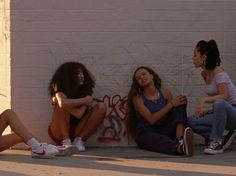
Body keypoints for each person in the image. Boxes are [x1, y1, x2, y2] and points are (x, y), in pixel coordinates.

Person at [126, 66, 194, 156]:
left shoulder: (165, 93)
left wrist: (176, 103)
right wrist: (171, 104)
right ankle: (180, 148)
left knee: (179, 103)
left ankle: (180, 140)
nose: (142, 77)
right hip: (147, 133)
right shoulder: (138, 98)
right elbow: (151, 119)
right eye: (138, 78)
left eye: (144, 74)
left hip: (165, 130)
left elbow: (174, 114)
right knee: (156, 140)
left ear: (151, 76)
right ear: (138, 84)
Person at [188, 40, 236, 155]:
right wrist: (209, 111)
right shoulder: (204, 74)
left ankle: (216, 142)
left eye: (195, 55)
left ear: (204, 57)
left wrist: (203, 100)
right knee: (191, 121)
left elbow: (224, 96)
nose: (192, 58)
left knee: (219, 103)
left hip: (234, 112)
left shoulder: (218, 72)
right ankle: (223, 134)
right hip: (224, 112)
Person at [48, 62, 106, 155]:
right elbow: (63, 103)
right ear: (69, 76)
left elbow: (79, 114)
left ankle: (79, 140)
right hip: (59, 131)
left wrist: (65, 104)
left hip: (78, 130)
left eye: (82, 73)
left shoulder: (85, 92)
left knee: (101, 106)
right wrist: (84, 100)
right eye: (78, 73)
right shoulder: (60, 92)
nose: (81, 76)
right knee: (60, 105)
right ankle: (66, 141)